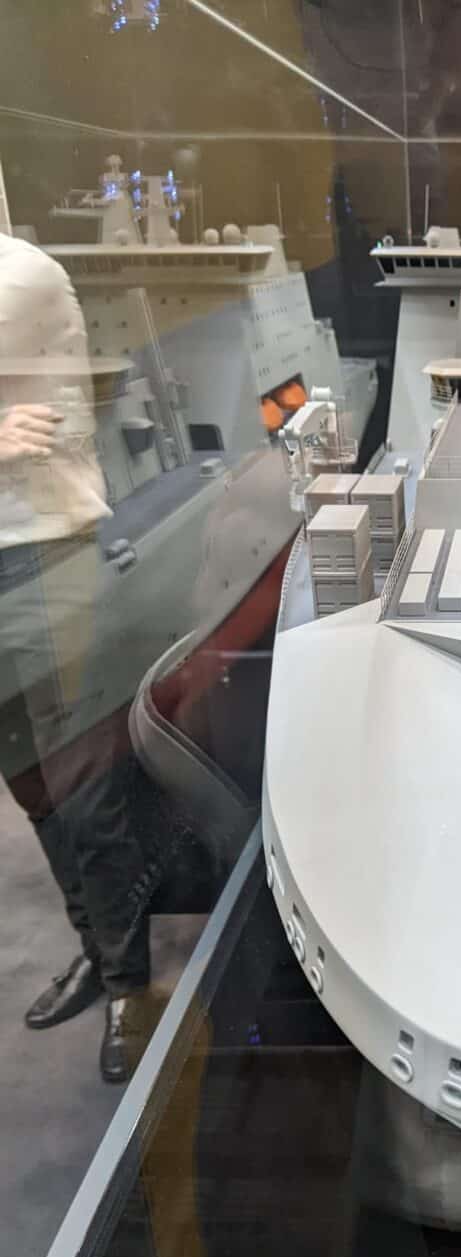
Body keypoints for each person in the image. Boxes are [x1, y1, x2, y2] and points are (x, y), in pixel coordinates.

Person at [0, 230, 155, 1082]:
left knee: (84, 792)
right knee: (31, 786)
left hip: (43, 561)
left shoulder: (21, 274)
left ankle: (130, 983)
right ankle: (97, 950)